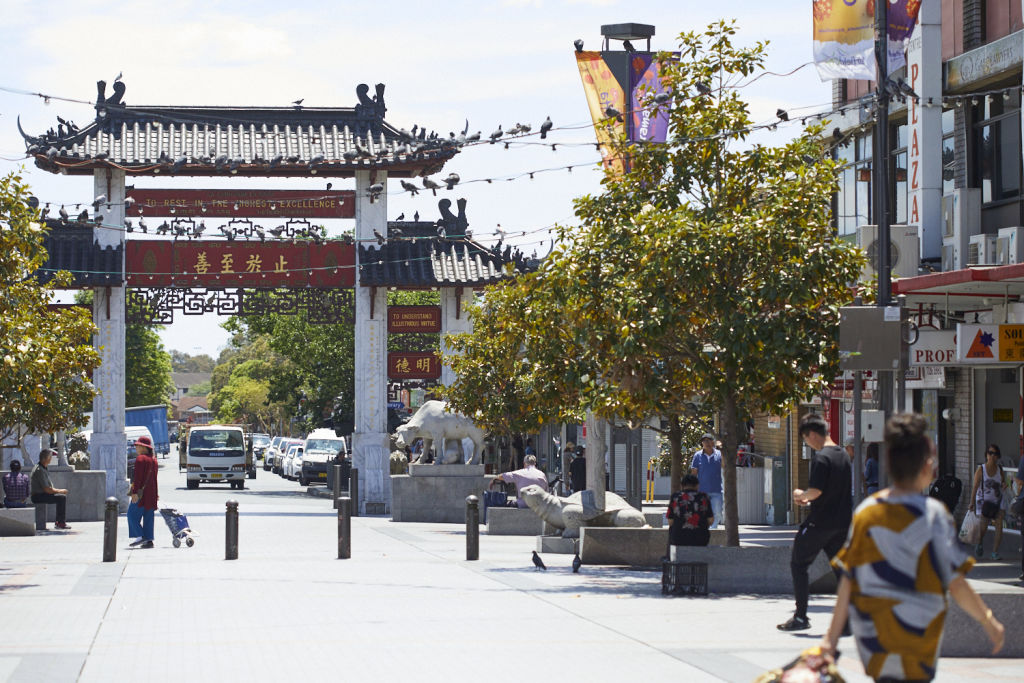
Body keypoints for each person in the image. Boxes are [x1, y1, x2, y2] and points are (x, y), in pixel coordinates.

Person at [822, 413, 1004, 680]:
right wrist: (988, 621)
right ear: (926, 466)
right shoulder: (935, 516)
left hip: (874, 642)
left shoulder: (867, 514)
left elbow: (848, 581)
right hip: (918, 639)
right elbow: (956, 582)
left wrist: (830, 640)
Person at [777, 413, 851, 632]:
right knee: (841, 570)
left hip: (820, 523)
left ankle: (800, 617)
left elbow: (817, 491)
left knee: (799, 564)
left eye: (805, 439)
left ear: (811, 434)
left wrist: (801, 494)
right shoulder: (843, 455)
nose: (807, 444)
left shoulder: (822, 457)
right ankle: (847, 621)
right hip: (842, 523)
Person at [970, 443, 1005, 560]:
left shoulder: (1000, 469)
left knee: (999, 526)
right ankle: (979, 542)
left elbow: (1003, 483)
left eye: (994, 454)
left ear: (998, 456)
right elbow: (975, 487)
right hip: (983, 502)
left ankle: (994, 552)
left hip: (997, 502)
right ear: (986, 455)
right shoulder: (981, 469)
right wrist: (971, 503)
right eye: (990, 453)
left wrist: (1004, 485)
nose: (992, 456)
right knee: (983, 527)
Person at [127, 436, 159, 549]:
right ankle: (149, 540)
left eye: (137, 445)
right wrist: (156, 494)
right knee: (148, 516)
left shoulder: (140, 459)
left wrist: (134, 493)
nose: (136, 447)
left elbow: (138, 478)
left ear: (143, 447)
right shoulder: (154, 460)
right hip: (151, 493)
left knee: (131, 515)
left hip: (141, 494)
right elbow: (154, 478)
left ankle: (140, 535)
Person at [666, 474, 713, 547]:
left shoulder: (675, 497)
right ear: (697, 485)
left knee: (672, 528)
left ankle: (669, 555)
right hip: (701, 539)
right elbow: (710, 520)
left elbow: (670, 521)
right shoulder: (703, 497)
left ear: (682, 485)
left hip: (678, 539)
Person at [29, 449, 71, 530]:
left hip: (41, 494)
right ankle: (60, 523)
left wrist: (57, 491)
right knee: (61, 498)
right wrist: (60, 491)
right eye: (50, 457)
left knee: (61, 497)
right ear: (45, 459)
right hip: (38, 496)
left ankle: (59, 521)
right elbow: (47, 489)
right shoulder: (39, 470)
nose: (51, 459)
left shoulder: (43, 468)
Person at [689, 433, 723, 529]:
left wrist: (722, 450)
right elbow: (694, 472)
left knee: (717, 512)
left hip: (716, 490)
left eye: (709, 440)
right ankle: (705, 529)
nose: (707, 443)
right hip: (702, 491)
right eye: (704, 441)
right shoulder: (697, 455)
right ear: (702, 443)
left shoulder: (719, 454)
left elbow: (724, 466)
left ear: (713, 442)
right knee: (702, 512)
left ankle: (713, 530)